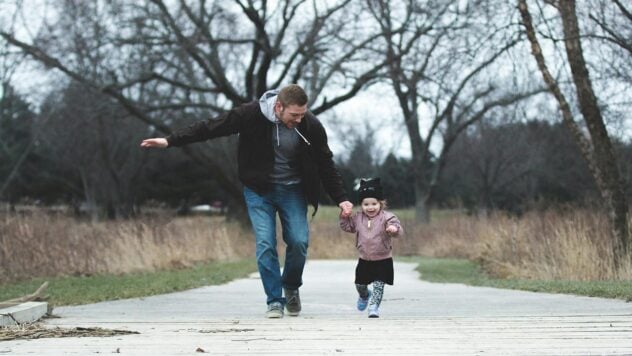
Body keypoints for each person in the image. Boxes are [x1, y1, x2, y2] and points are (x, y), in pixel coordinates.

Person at [140, 84, 353, 318]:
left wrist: (341, 199)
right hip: (259, 190)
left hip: (293, 190)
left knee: (299, 242)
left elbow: (325, 163)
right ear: (278, 106)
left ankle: (291, 285)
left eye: (302, 114)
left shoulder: (310, 125)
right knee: (265, 244)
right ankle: (274, 300)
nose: (299, 120)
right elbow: (211, 127)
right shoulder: (250, 114)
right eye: (294, 115)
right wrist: (170, 141)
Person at [339, 178, 403, 318]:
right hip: (364, 259)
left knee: (379, 286)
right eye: (366, 204)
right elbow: (347, 227)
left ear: (380, 203)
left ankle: (374, 307)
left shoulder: (387, 217)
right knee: (360, 285)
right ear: (361, 205)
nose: (370, 207)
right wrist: (344, 217)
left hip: (383, 259)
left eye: (374, 204)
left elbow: (397, 228)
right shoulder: (357, 218)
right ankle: (364, 295)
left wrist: (393, 229)